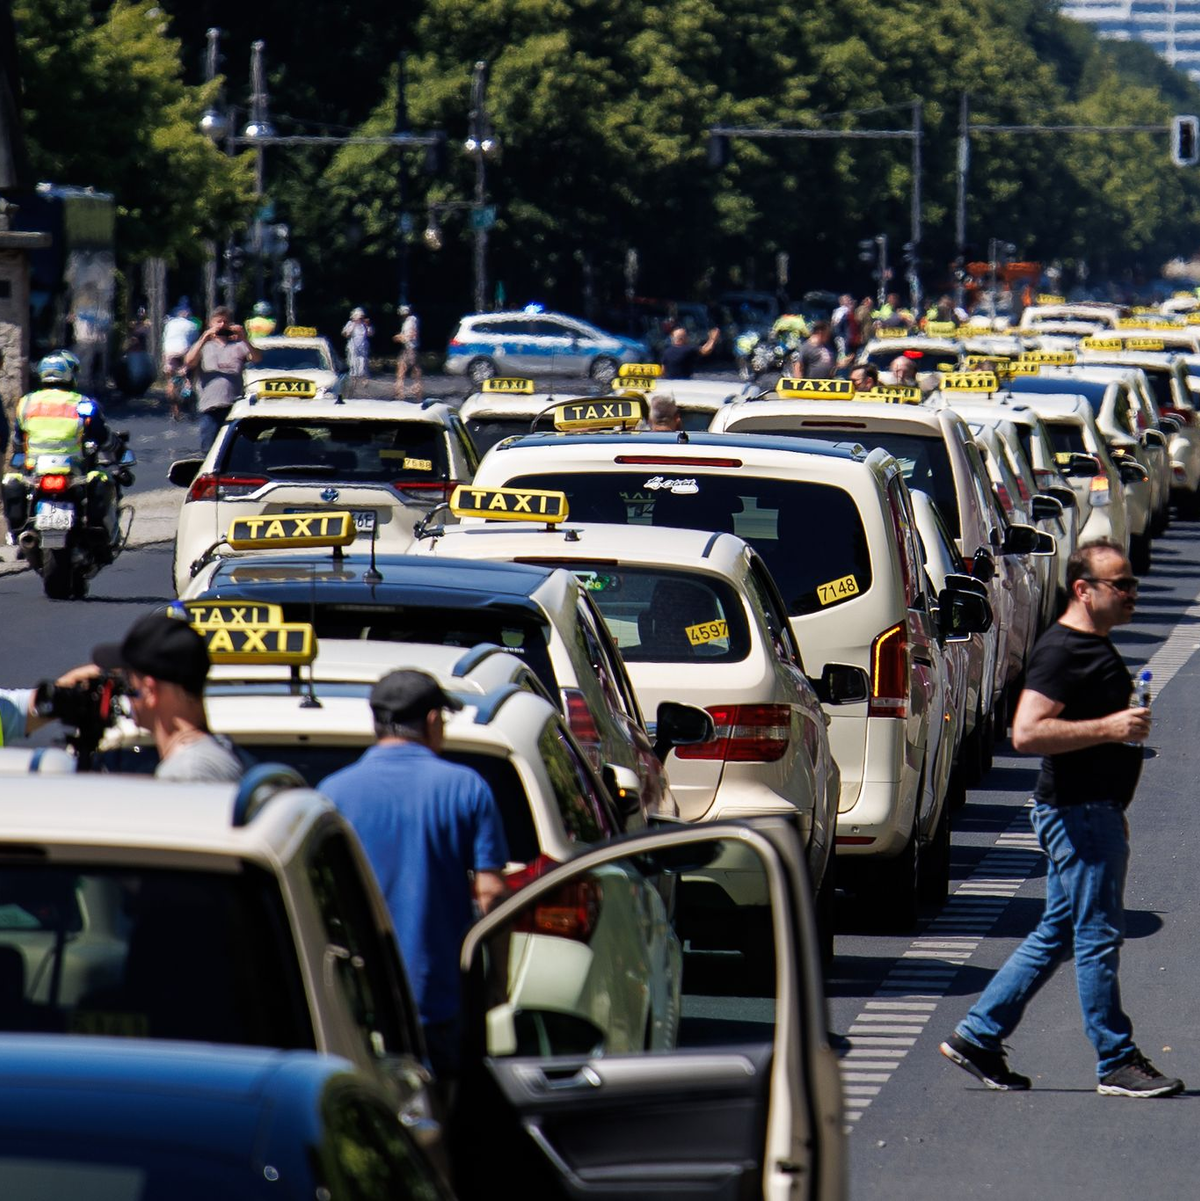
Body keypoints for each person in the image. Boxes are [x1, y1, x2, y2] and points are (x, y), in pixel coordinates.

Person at [940, 540, 1183, 1099]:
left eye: (1130, 583)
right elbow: (1026, 733)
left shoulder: (1090, 646)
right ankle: (1115, 1060)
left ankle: (978, 1035)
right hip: (1078, 813)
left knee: (1058, 932)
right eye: (1119, 584)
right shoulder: (1064, 650)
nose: (1131, 593)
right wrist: (1114, 729)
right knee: (1097, 935)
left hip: (1090, 812)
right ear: (1084, 589)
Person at [318, 669, 508, 1079]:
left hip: (359, 1005)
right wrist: (496, 982)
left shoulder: (331, 793)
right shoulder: (466, 788)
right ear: (434, 721)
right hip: (438, 997)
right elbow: (491, 894)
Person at [90, 612, 245, 783]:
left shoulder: (187, 772)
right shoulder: (206, 755)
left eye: (128, 681)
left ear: (150, 691)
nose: (124, 691)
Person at [2, 352, 117, 559]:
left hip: (37, 470)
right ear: (70, 374)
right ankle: (97, 533)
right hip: (73, 468)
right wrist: (114, 447)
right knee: (102, 480)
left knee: (12, 481)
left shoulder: (26, 403)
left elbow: (19, 440)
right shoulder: (82, 403)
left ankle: (17, 532)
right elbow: (102, 436)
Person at [184, 306, 262, 453]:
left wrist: (245, 338)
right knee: (209, 449)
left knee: (235, 449)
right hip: (210, 406)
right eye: (218, 322)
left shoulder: (239, 346)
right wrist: (204, 338)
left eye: (225, 322)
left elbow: (257, 358)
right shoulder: (204, 347)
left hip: (234, 405)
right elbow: (189, 362)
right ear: (210, 324)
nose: (222, 325)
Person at [161, 300, 200, 421]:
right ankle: (188, 388)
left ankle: (175, 410)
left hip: (170, 351)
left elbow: (165, 339)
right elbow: (195, 343)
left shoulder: (170, 323)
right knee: (189, 374)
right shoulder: (192, 325)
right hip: (184, 350)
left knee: (171, 380)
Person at [393, 304, 421, 399]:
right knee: (405, 368)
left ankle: (404, 390)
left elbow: (411, 335)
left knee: (410, 370)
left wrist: (400, 337)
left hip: (410, 348)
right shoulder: (408, 321)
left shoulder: (411, 321)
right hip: (407, 348)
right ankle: (402, 389)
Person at [342, 307, 373, 386]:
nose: (360, 319)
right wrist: (353, 324)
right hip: (353, 347)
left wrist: (367, 325)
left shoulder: (364, 325)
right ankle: (353, 380)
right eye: (359, 317)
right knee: (353, 362)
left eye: (362, 317)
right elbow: (346, 334)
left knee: (362, 363)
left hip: (362, 347)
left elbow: (370, 334)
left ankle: (363, 379)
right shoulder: (350, 324)